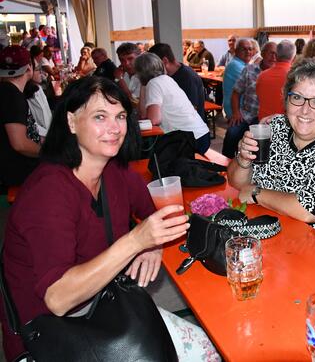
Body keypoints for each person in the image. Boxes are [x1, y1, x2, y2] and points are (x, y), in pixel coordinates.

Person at [1, 76, 220, 361]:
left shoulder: (116, 173)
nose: (115, 128)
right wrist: (136, 241)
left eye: (120, 116)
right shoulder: (48, 192)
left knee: (205, 348)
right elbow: (58, 299)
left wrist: (153, 246)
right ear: (71, 122)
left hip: (103, 304)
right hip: (48, 335)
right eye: (100, 116)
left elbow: (154, 213)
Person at [228, 58, 315, 234]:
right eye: (297, 97)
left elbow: (310, 210)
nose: (305, 110)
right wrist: (244, 158)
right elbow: (237, 183)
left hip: (308, 242)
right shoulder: (274, 127)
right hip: (261, 230)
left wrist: (257, 193)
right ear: (287, 100)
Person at [136, 53, 211, 155]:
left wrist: (143, 85)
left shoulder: (153, 84)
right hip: (201, 135)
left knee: (153, 157)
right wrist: (143, 86)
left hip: (189, 140)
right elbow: (144, 115)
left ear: (140, 73)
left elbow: (154, 120)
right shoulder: (167, 79)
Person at [221, 41, 277, 159]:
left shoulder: (279, 74)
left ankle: (255, 166)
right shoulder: (249, 69)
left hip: (265, 117)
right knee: (232, 134)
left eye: (276, 54)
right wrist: (236, 113)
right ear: (262, 53)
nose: (274, 57)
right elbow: (236, 92)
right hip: (247, 114)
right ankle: (225, 163)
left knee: (260, 146)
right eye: (270, 53)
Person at [0, 46, 41, 186]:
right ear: (29, 67)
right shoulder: (12, 96)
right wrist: (48, 153)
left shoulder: (8, 91)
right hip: (17, 175)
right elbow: (20, 144)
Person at [148, 42, 206, 122]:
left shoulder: (187, 77)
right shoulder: (166, 76)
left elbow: (191, 111)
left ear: (164, 61)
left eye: (153, 65)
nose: (152, 69)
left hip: (189, 127)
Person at [256, 40, 296, 121]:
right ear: (294, 58)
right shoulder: (295, 76)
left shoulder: (262, 75)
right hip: (284, 124)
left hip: (264, 123)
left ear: (276, 56)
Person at [222, 38, 253, 119]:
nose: (248, 52)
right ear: (236, 51)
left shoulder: (242, 64)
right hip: (236, 111)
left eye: (250, 49)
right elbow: (252, 84)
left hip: (240, 107)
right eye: (244, 49)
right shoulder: (235, 65)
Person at [24, 54, 52, 138]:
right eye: (37, 69)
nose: (41, 72)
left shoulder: (38, 88)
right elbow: (32, 124)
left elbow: (47, 114)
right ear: (28, 72)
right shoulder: (24, 95)